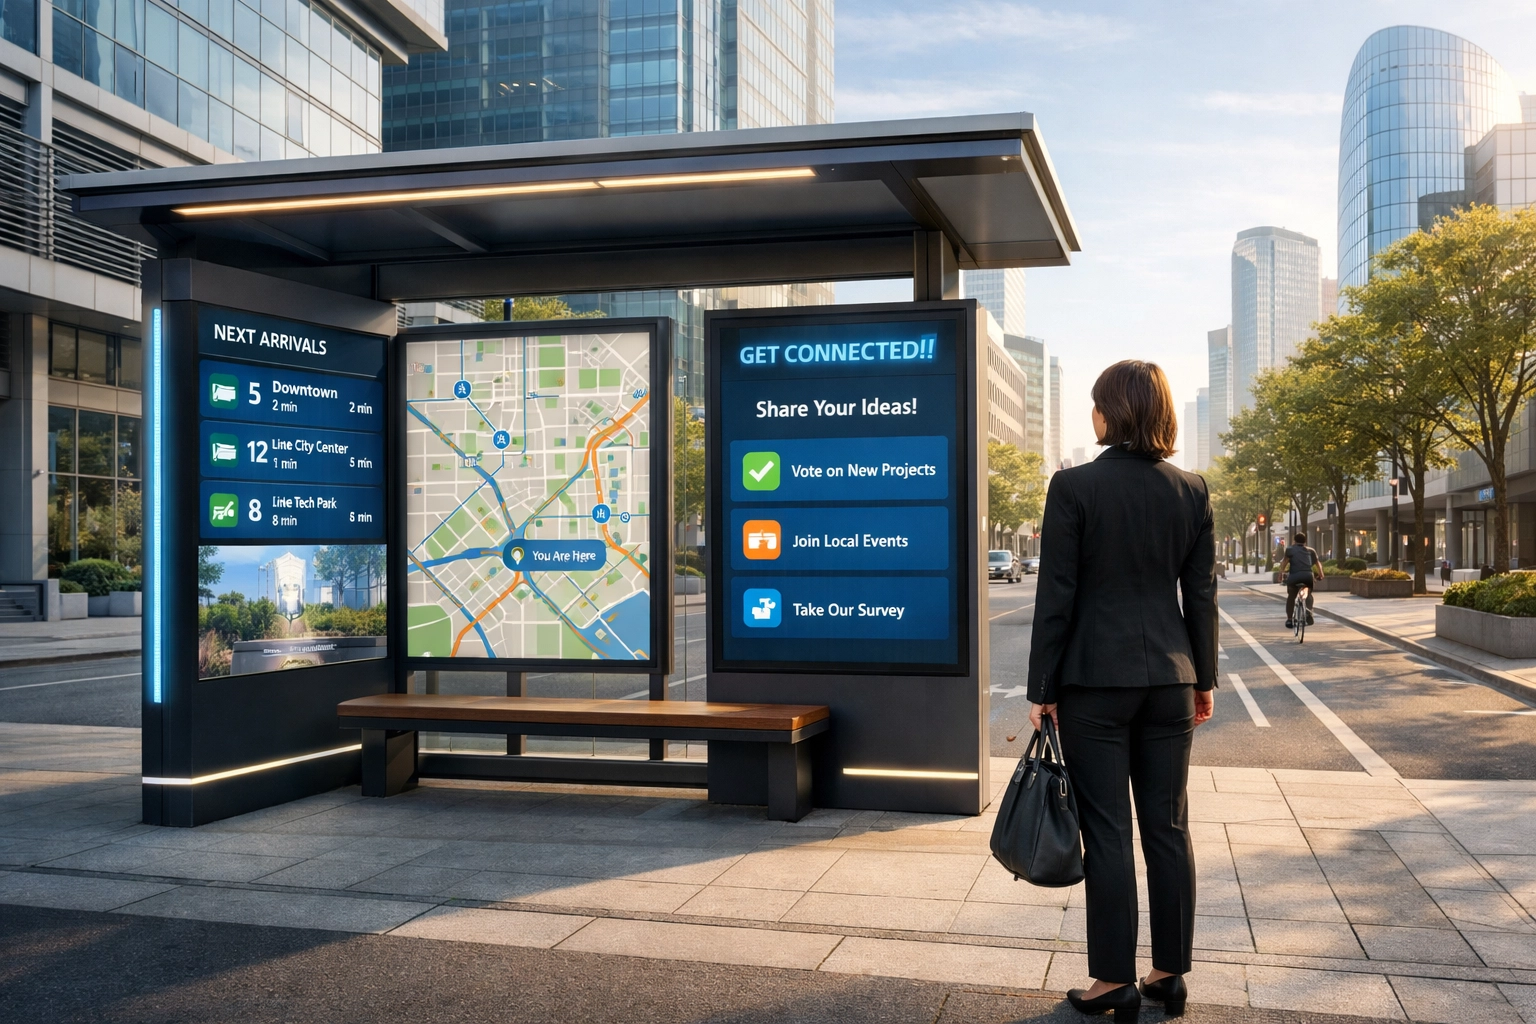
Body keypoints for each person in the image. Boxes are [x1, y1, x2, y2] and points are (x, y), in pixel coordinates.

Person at [1027, 360, 1217, 1021]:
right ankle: (1168, 975)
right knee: (1167, 828)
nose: (1091, 414)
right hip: (1171, 679)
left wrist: (1043, 686)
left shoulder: (1074, 486)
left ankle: (1114, 981)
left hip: (1093, 682)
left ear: (1111, 412)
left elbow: (1057, 593)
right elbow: (1200, 595)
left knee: (1108, 832)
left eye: (1095, 403)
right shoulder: (1192, 489)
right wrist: (1205, 678)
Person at [1279, 533, 1322, 629]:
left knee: (1291, 596)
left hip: (1294, 577)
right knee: (1308, 593)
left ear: (1294, 541)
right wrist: (1321, 575)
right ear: (1305, 541)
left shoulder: (1290, 550)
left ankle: (1290, 619)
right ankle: (1308, 612)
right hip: (1308, 576)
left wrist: (1280, 574)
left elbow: (1284, 563)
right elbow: (1318, 564)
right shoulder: (1311, 551)